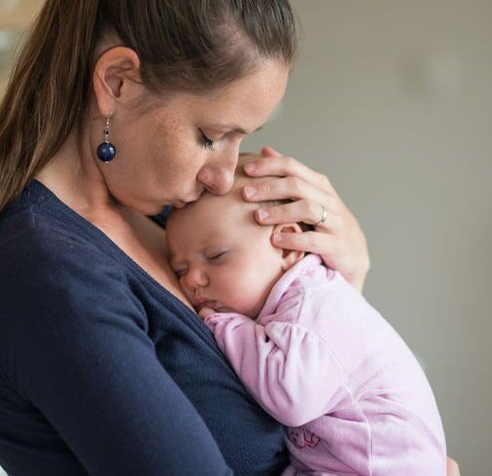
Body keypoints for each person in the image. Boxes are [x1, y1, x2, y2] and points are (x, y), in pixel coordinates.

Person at [0, 1, 459, 475]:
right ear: (117, 82)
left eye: (243, 139)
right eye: (211, 136)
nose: (223, 173)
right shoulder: (48, 276)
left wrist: (342, 277)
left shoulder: (168, 223)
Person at [166, 157, 448, 475]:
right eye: (180, 269)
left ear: (286, 247)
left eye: (216, 256)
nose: (192, 280)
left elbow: (291, 396)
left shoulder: (313, 307)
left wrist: (224, 324)